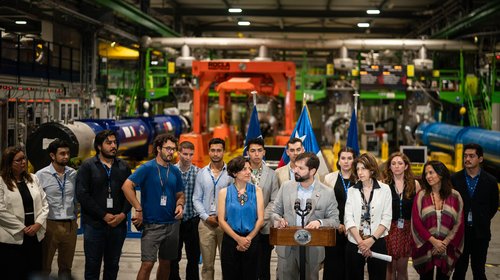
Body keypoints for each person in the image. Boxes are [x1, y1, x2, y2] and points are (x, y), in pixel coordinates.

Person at [122, 134, 185, 280]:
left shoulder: (175, 170)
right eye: (168, 148)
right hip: (152, 225)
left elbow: (180, 194)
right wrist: (138, 208)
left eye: (173, 149)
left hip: (172, 224)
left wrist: (180, 204)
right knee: (147, 264)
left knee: (166, 263)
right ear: (158, 148)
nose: (171, 152)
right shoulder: (147, 168)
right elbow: (126, 186)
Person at [272, 152, 340, 280]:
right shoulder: (286, 186)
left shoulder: (327, 192)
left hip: (312, 249)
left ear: (312, 171)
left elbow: (335, 220)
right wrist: (278, 219)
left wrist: (320, 222)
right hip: (287, 248)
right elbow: (275, 211)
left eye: (301, 168)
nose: (295, 170)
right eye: (296, 166)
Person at [76, 129, 132, 280]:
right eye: (109, 143)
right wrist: (103, 215)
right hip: (94, 225)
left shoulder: (123, 167)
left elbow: (130, 194)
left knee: (113, 265)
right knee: (92, 266)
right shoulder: (88, 166)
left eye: (115, 142)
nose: (113, 146)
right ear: (99, 146)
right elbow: (82, 195)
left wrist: (122, 215)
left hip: (118, 226)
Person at [0, 146, 49, 280]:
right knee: (14, 272)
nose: (23, 162)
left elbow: (44, 204)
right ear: (9, 163)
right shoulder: (1, 182)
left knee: (34, 272)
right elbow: (1, 210)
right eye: (18, 160)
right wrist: (22, 228)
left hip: (35, 234)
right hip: (13, 237)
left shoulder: (33, 178)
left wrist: (38, 224)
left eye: (24, 158)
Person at [452, 143, 498, 280]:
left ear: (480, 159)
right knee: (459, 270)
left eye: (472, 156)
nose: (467, 159)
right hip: (460, 233)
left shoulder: (490, 181)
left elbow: (493, 206)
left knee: (479, 271)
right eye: (465, 156)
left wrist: (481, 218)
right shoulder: (455, 179)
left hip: (480, 233)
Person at [411, 160, 464, 280]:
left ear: (441, 173)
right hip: (426, 246)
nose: (428, 176)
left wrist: (444, 243)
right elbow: (416, 222)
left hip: (447, 247)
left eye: (431, 172)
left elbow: (459, 224)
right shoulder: (421, 195)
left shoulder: (455, 196)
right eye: (426, 174)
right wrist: (433, 241)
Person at [344, 152, 392, 280]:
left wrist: (371, 240)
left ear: (372, 169)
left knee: (378, 276)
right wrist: (361, 242)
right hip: (355, 242)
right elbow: (348, 219)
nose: (360, 172)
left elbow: (386, 218)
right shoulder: (351, 191)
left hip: (377, 241)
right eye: (358, 169)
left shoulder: (385, 189)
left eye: (363, 168)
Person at [35, 139, 78, 279]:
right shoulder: (40, 175)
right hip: (50, 225)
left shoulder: (73, 174)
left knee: (66, 267)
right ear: (52, 156)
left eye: (68, 153)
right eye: (62, 153)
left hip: (70, 225)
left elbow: (79, 196)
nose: (66, 156)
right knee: (45, 267)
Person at [218, 156, 264, 280]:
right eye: (244, 169)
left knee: (251, 275)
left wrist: (247, 239)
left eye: (249, 169)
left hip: (251, 240)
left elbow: (260, 219)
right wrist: (238, 239)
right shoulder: (224, 192)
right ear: (234, 173)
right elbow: (221, 220)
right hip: (231, 240)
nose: (249, 172)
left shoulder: (257, 191)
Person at [192, 138, 233, 280]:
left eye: (219, 150)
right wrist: (205, 217)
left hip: (226, 224)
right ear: (208, 151)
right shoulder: (201, 173)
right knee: (207, 266)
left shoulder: (231, 174)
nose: (216, 154)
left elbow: (233, 199)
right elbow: (196, 198)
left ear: (224, 151)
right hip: (206, 224)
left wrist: (223, 217)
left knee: (227, 264)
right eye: (213, 150)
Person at [383, 152, 421, 280]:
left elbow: (419, 210)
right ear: (389, 167)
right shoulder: (384, 185)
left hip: (407, 229)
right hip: (389, 229)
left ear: (406, 166)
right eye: (393, 164)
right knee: (389, 268)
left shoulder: (414, 184)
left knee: (402, 268)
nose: (397, 166)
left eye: (400, 163)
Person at [246, 137, 279, 280]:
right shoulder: (241, 172)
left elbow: (274, 201)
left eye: (259, 151)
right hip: (244, 227)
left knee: (264, 266)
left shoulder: (272, 175)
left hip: (264, 227)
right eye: (253, 151)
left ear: (264, 152)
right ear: (248, 153)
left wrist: (260, 219)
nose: (256, 154)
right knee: (247, 266)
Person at [322, 146, 356, 280]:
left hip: (354, 230)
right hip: (334, 228)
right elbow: (325, 205)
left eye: (349, 158)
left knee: (351, 266)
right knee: (333, 267)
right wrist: (338, 224)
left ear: (354, 160)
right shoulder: (329, 178)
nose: (346, 161)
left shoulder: (360, 179)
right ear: (339, 160)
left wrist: (351, 226)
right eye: (343, 158)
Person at [169, 141, 201, 280]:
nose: (188, 157)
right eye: (185, 154)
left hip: (192, 220)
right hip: (175, 220)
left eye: (191, 154)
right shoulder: (171, 171)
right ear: (179, 153)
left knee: (193, 257)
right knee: (173, 257)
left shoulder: (198, 172)